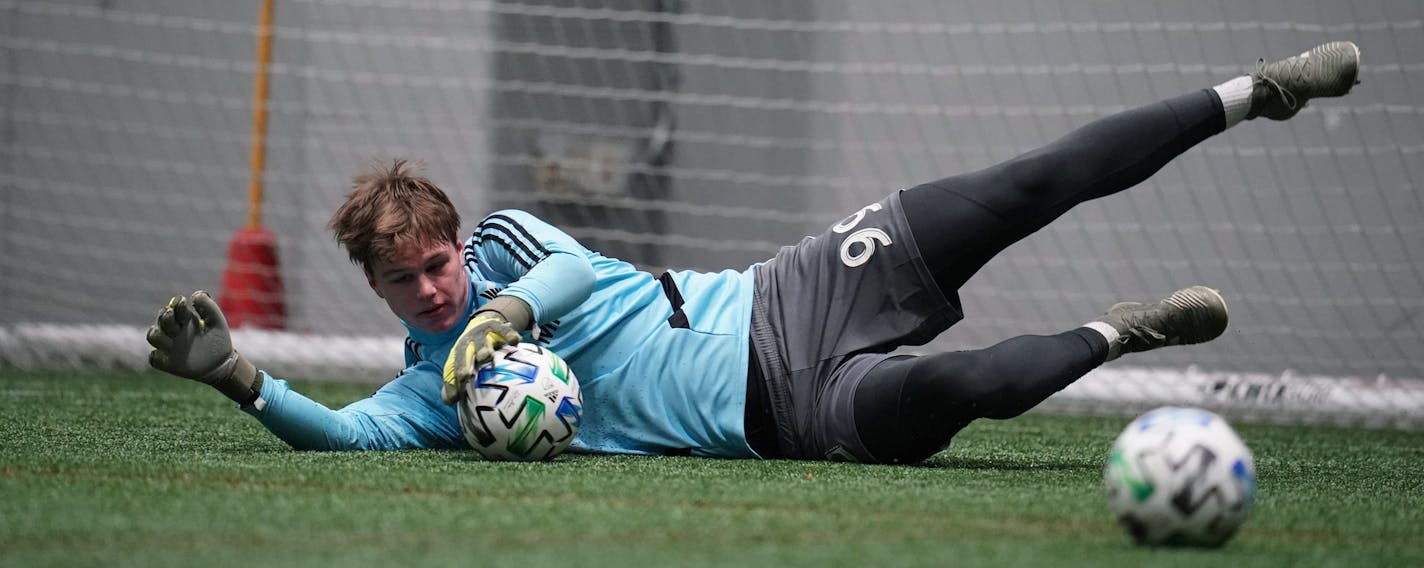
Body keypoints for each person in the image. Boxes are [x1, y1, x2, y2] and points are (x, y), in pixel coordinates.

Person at [147, 41, 1361, 462]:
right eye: (403, 280)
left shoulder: (509, 248)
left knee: (1021, 184)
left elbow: (562, 275)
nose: (430, 285)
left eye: (437, 262)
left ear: (458, 241)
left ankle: (1249, 93)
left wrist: (502, 318)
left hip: (788, 288)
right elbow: (351, 435)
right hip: (796, 410)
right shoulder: (430, 393)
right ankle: (1123, 330)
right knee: (966, 387)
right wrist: (237, 378)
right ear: (375, 286)